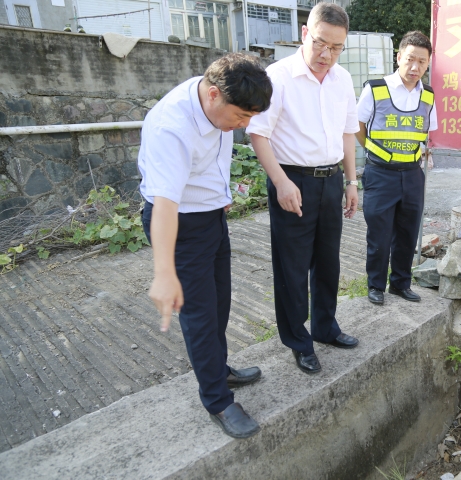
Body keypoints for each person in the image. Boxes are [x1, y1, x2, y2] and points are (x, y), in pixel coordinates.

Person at [138, 54, 273, 439]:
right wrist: (164, 273)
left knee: (219, 304)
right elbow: (165, 205)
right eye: (241, 117)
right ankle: (217, 400)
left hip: (211, 215)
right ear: (213, 95)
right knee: (199, 315)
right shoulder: (171, 127)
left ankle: (218, 368)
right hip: (180, 224)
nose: (244, 126)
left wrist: (220, 194)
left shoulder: (218, 100)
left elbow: (214, 152)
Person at [247, 3, 360, 375]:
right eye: (321, 43)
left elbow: (348, 134)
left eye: (337, 47)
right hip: (292, 180)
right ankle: (298, 340)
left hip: (331, 180)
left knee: (328, 261)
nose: (327, 54)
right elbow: (258, 134)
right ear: (305, 33)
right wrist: (280, 182)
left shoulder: (342, 79)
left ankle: (325, 327)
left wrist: (351, 181)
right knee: (292, 267)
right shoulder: (278, 76)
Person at [355, 31, 438, 305]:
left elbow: (427, 133)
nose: (415, 67)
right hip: (380, 174)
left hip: (412, 174)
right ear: (399, 57)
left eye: (422, 62)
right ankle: (375, 286)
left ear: (428, 64)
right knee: (379, 234)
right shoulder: (376, 89)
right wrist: (373, 150)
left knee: (408, 233)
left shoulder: (428, 96)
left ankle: (401, 284)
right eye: (410, 59)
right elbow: (357, 124)